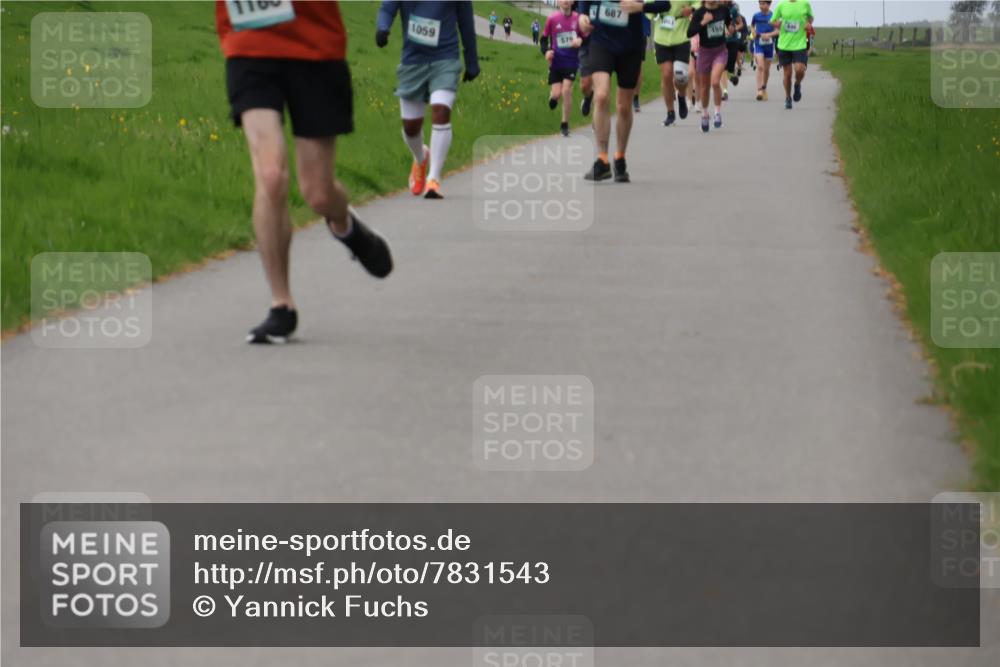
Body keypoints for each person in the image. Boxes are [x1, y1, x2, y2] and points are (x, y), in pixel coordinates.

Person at [216, 0, 393, 344]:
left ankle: (346, 227)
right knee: (270, 176)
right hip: (249, 41)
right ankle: (281, 304)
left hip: (315, 45)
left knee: (318, 193)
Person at [377, 0, 479, 200]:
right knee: (410, 126)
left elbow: (466, 24)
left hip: (445, 59)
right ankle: (420, 158)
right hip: (412, 61)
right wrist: (383, 27)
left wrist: (472, 62)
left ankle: (434, 179)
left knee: (441, 110)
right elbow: (388, 7)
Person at [578, 0, 663, 183]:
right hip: (601, 42)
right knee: (601, 96)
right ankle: (602, 159)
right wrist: (582, 15)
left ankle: (619, 158)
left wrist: (640, 7)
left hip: (630, 48)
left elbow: (665, 5)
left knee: (624, 107)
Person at [646, 0, 697, 127]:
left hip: (681, 36)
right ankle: (670, 112)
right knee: (667, 74)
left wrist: (691, 9)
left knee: (680, 75)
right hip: (661, 36)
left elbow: (698, 3)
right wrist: (655, 9)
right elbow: (648, 9)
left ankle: (681, 96)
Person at [687, 0, 733, 132]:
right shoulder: (699, 13)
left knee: (714, 82)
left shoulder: (723, 10)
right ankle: (705, 114)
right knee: (704, 87)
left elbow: (729, 24)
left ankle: (717, 113)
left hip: (720, 50)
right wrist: (703, 22)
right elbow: (689, 32)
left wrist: (731, 29)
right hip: (704, 52)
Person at [541, 0, 584, 137]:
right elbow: (543, 39)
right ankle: (553, 97)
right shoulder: (552, 19)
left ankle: (564, 124)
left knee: (567, 91)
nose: (565, 1)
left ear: (573, 2)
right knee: (556, 94)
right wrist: (546, 51)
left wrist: (580, 41)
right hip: (556, 62)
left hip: (571, 62)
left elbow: (585, 36)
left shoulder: (578, 18)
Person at [770, 0, 813, 109]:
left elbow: (811, 17)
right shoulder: (781, 5)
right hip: (784, 45)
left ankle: (797, 84)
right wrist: (776, 23)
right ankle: (788, 98)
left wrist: (808, 24)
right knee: (787, 74)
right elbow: (772, 21)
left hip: (800, 44)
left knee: (800, 69)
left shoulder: (805, 4)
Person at [750, 0, 776, 100]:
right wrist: (753, 32)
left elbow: (777, 30)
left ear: (769, 4)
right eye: (760, 4)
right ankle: (759, 90)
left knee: (766, 69)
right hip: (758, 43)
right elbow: (752, 25)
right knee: (760, 66)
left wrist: (769, 35)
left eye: (764, 4)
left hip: (769, 45)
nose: (761, 6)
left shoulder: (773, 16)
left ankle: (764, 87)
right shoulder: (756, 16)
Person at [633, 13, 652, 113]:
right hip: (622, 31)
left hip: (640, 32)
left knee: (638, 67)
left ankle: (635, 98)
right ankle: (627, 96)